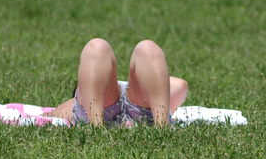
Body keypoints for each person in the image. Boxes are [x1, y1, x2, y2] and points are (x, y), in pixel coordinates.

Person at [44, 38, 189, 127]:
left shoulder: (84, 98)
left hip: (106, 113)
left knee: (145, 48)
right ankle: (163, 127)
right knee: (98, 47)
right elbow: (180, 86)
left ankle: (96, 129)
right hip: (142, 115)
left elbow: (58, 113)